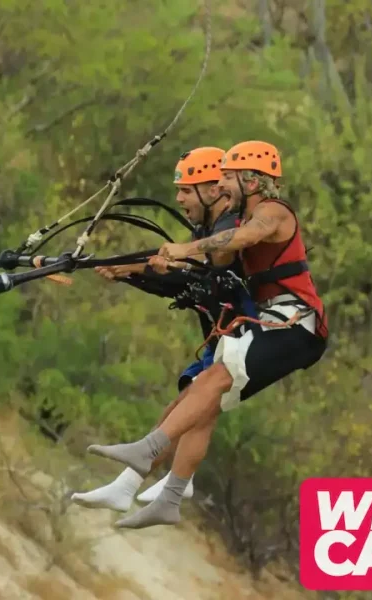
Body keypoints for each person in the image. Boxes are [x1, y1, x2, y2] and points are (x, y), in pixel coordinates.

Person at [86, 140, 329, 529]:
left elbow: (243, 240)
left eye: (228, 179)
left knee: (214, 379)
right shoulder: (239, 217)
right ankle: (169, 495)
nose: (220, 187)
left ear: (252, 180)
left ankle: (147, 453)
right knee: (204, 391)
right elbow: (214, 260)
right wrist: (139, 267)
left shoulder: (272, 212)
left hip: (297, 323)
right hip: (276, 322)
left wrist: (183, 249)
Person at [72, 146, 249, 512]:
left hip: (248, 334)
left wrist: (139, 268)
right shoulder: (207, 229)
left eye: (186, 189)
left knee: (195, 405)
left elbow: (208, 272)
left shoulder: (229, 228)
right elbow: (183, 283)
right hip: (224, 336)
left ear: (213, 189)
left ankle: (170, 483)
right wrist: (128, 272)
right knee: (182, 407)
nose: (180, 197)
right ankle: (132, 485)